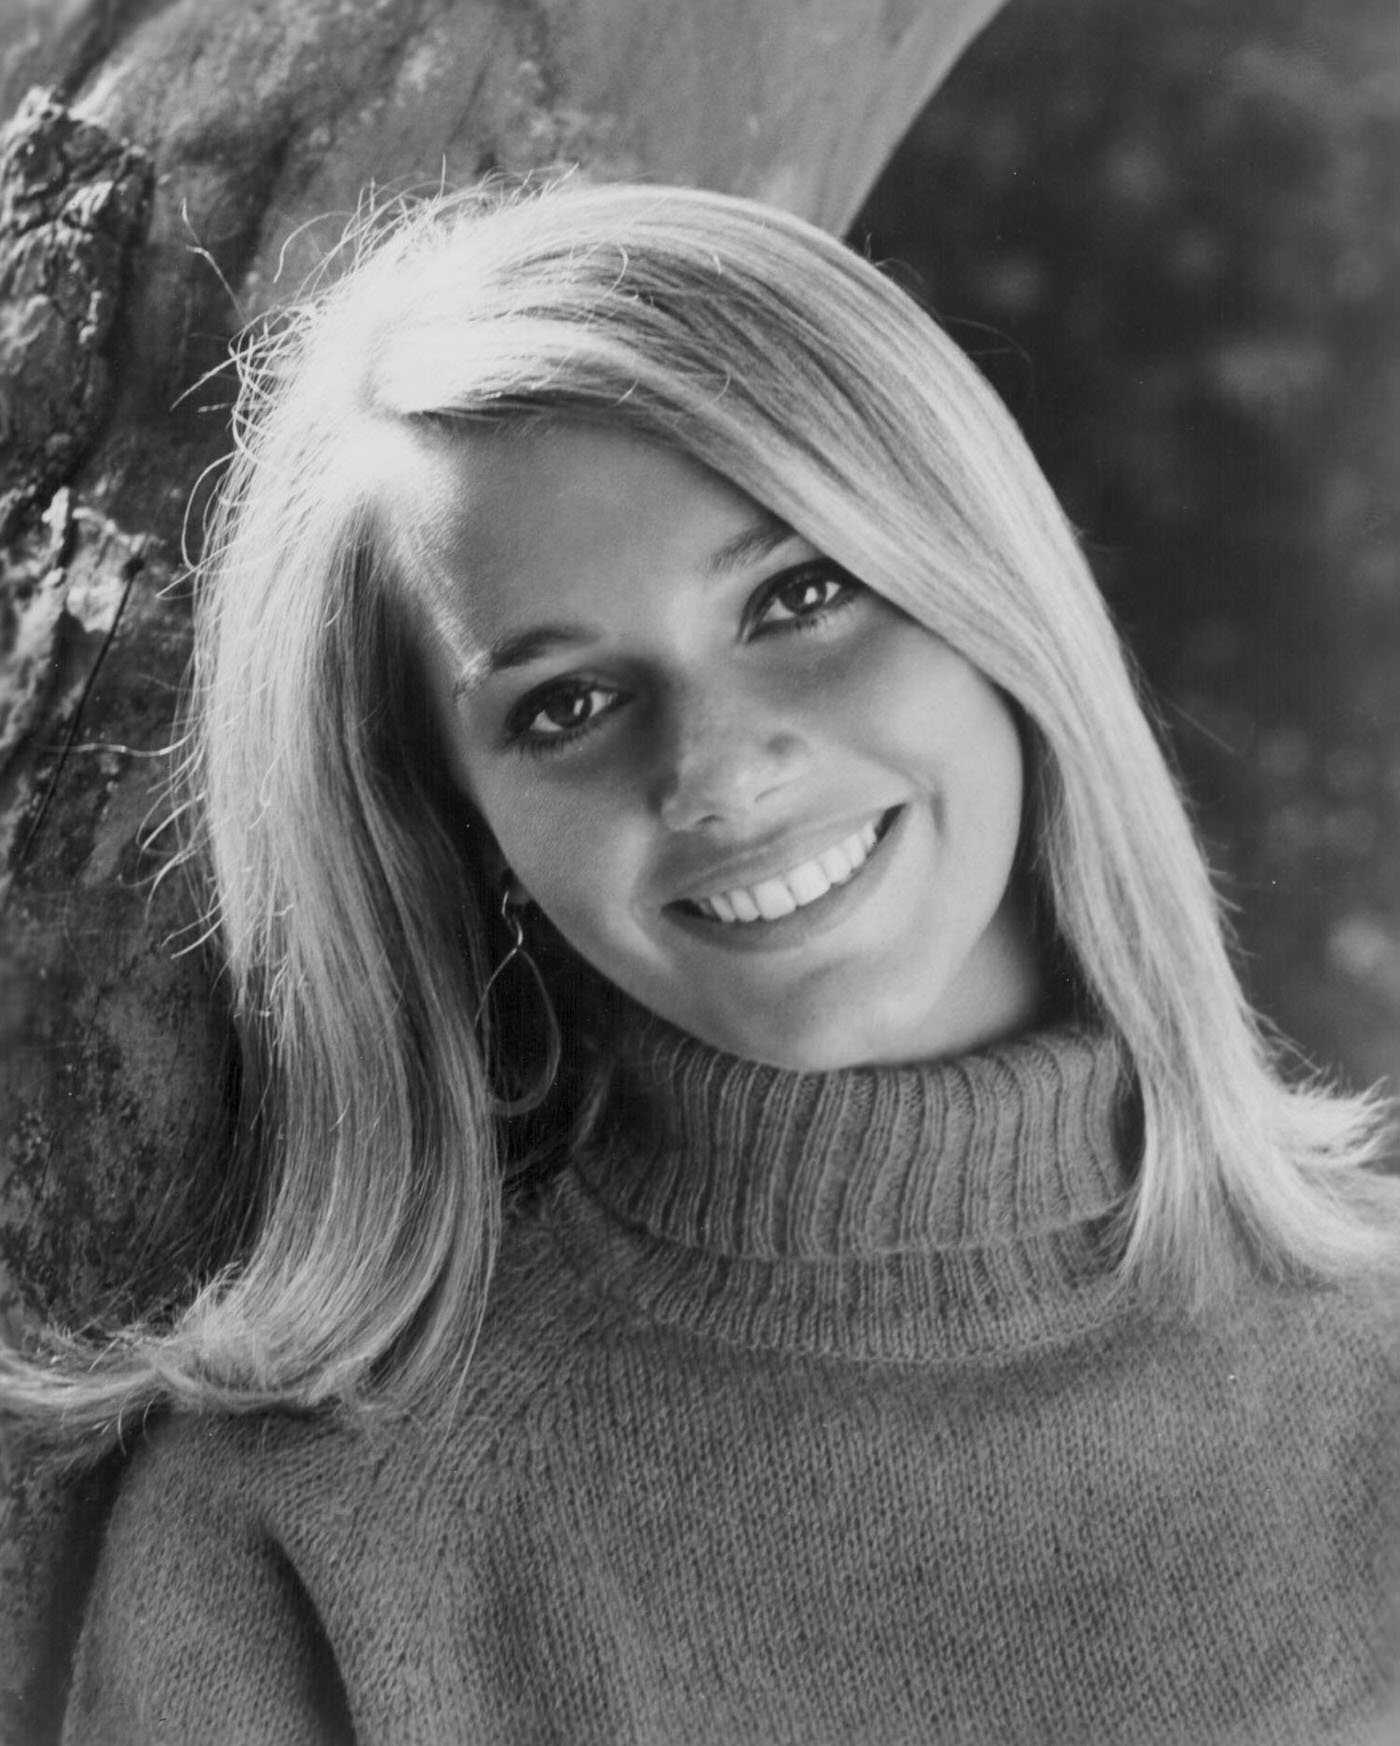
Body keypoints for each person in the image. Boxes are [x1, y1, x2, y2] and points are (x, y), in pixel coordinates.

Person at [7, 178, 1397, 1743]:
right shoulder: (312, 1543)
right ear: (468, 838)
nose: (720, 774)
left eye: (796, 596)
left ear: (990, 593)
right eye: (566, 707)